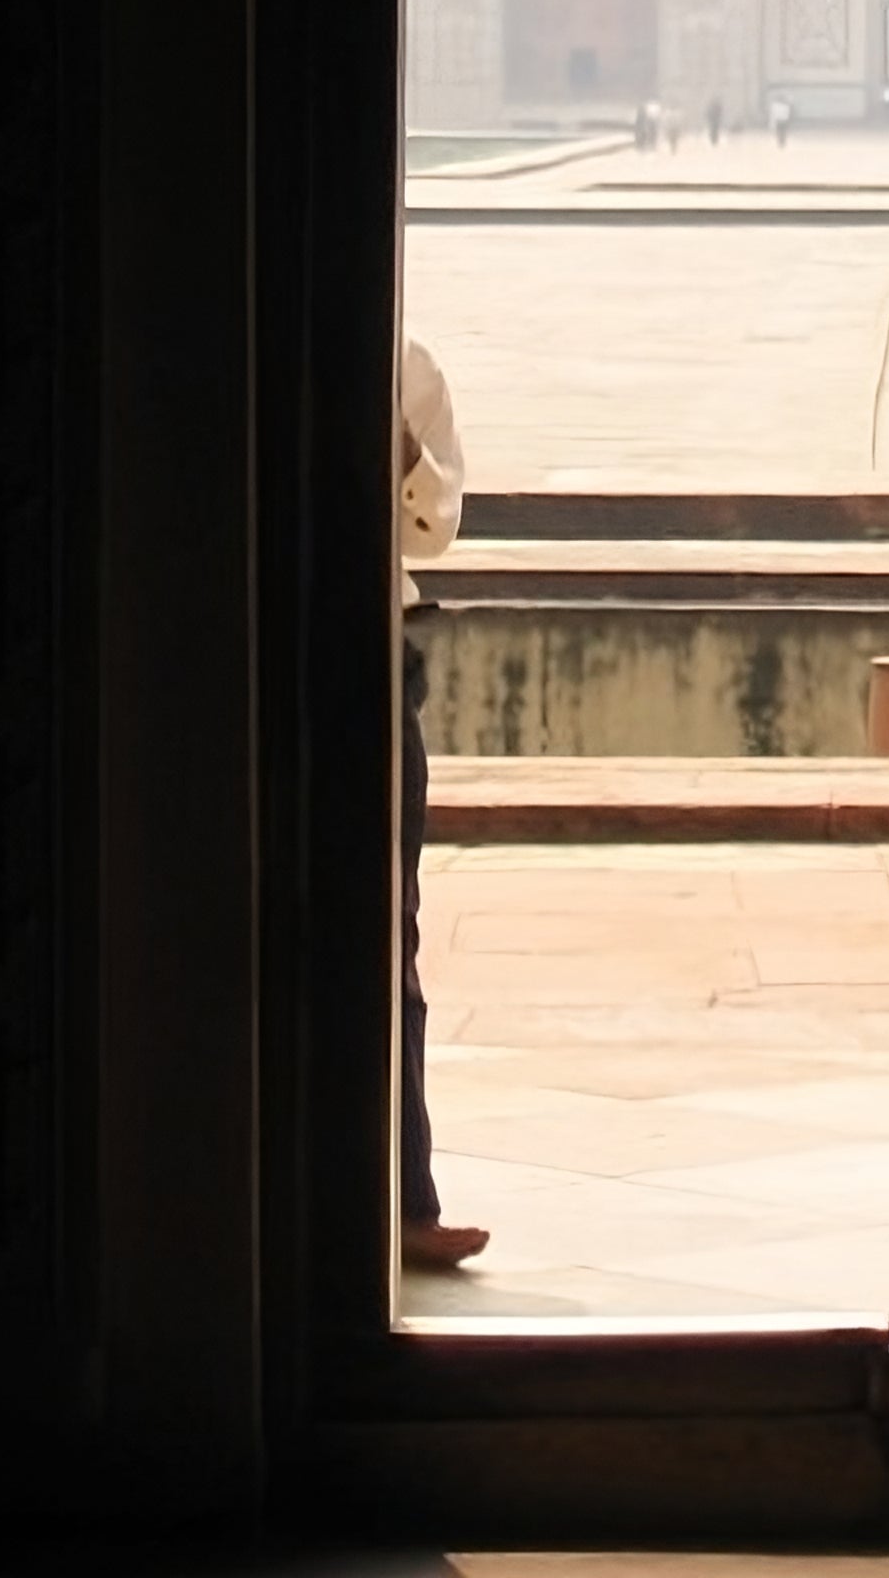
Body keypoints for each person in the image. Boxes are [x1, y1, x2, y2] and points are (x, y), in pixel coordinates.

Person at [399, 335, 489, 1274]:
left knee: (393, 932)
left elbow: (432, 527)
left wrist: (397, 453)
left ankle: (405, 1201)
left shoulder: (409, 370)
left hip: (380, 641)